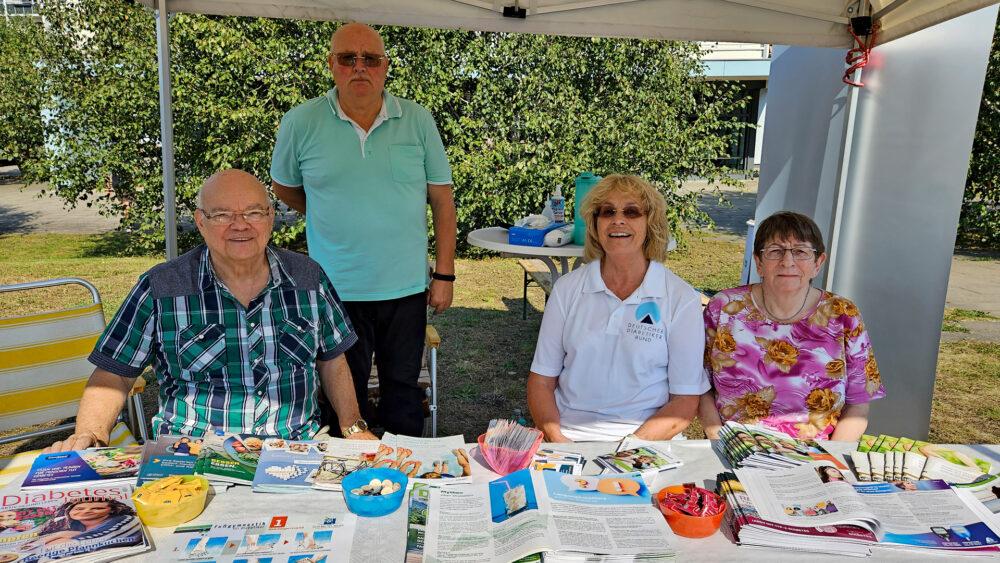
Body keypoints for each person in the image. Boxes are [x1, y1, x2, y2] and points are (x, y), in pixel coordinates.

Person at [44, 170, 377, 452]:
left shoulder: (308, 277)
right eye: (222, 215)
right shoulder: (161, 287)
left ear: (270, 217)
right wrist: (90, 435)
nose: (240, 225)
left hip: (292, 451)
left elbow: (332, 360)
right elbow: (114, 372)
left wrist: (352, 428)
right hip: (191, 456)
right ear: (201, 222)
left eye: (253, 213)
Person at [270, 22, 457, 438]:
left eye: (370, 58)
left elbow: (443, 202)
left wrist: (444, 275)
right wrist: (323, 208)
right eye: (347, 58)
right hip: (335, 288)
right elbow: (283, 186)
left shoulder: (418, 120)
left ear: (385, 66)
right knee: (340, 396)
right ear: (331, 65)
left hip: (405, 286)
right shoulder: (300, 122)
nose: (359, 67)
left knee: (403, 393)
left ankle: (407, 478)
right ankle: (342, 482)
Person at [527, 174, 709, 442]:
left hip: (648, 442)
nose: (618, 220)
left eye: (632, 211)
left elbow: (684, 400)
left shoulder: (681, 298)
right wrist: (558, 440)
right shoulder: (567, 289)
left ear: (651, 223)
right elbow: (541, 381)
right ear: (594, 224)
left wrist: (628, 451)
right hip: (569, 436)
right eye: (607, 211)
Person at [699, 211, 886, 441]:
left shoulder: (843, 314)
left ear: (818, 263)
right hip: (735, 447)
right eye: (775, 251)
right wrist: (720, 441)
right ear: (758, 262)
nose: (787, 262)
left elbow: (858, 403)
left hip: (817, 455)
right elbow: (699, 387)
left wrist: (829, 460)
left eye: (800, 252)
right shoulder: (724, 308)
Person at [25, 499, 140, 548]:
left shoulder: (125, 519)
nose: (86, 511)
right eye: (79, 509)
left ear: (112, 511)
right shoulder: (71, 529)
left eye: (97, 508)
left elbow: (101, 539)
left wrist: (60, 536)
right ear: (69, 512)